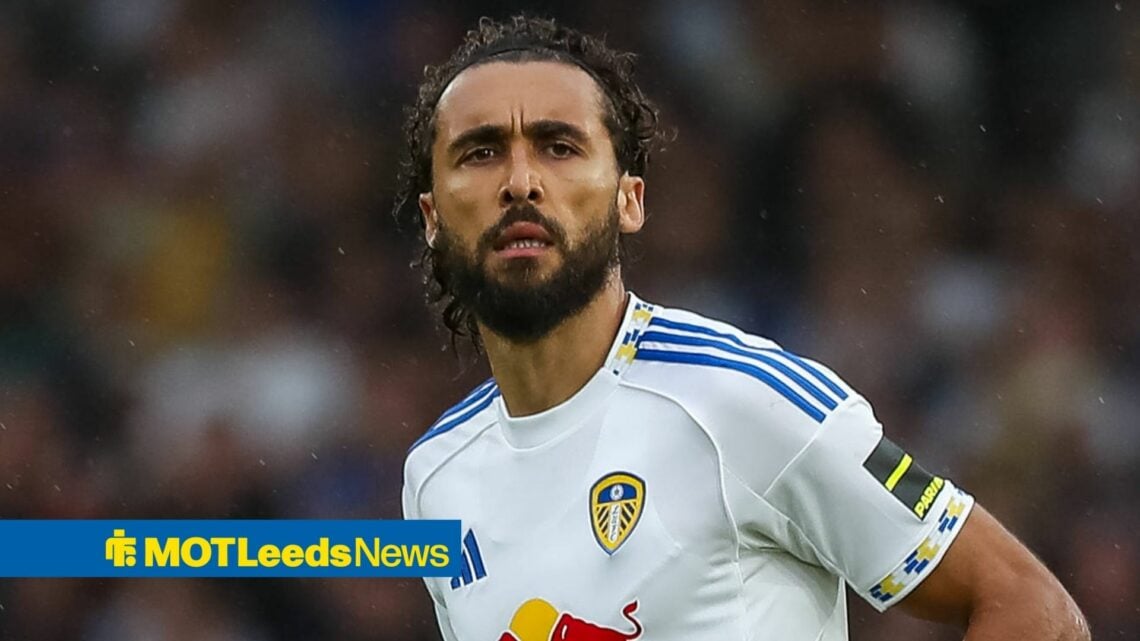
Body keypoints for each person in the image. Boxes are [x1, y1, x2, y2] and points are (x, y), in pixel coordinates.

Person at [398, 15, 1089, 641]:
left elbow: (1033, 607)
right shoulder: (436, 476)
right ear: (431, 216)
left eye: (558, 146)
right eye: (481, 152)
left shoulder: (741, 400)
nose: (521, 181)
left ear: (629, 199)